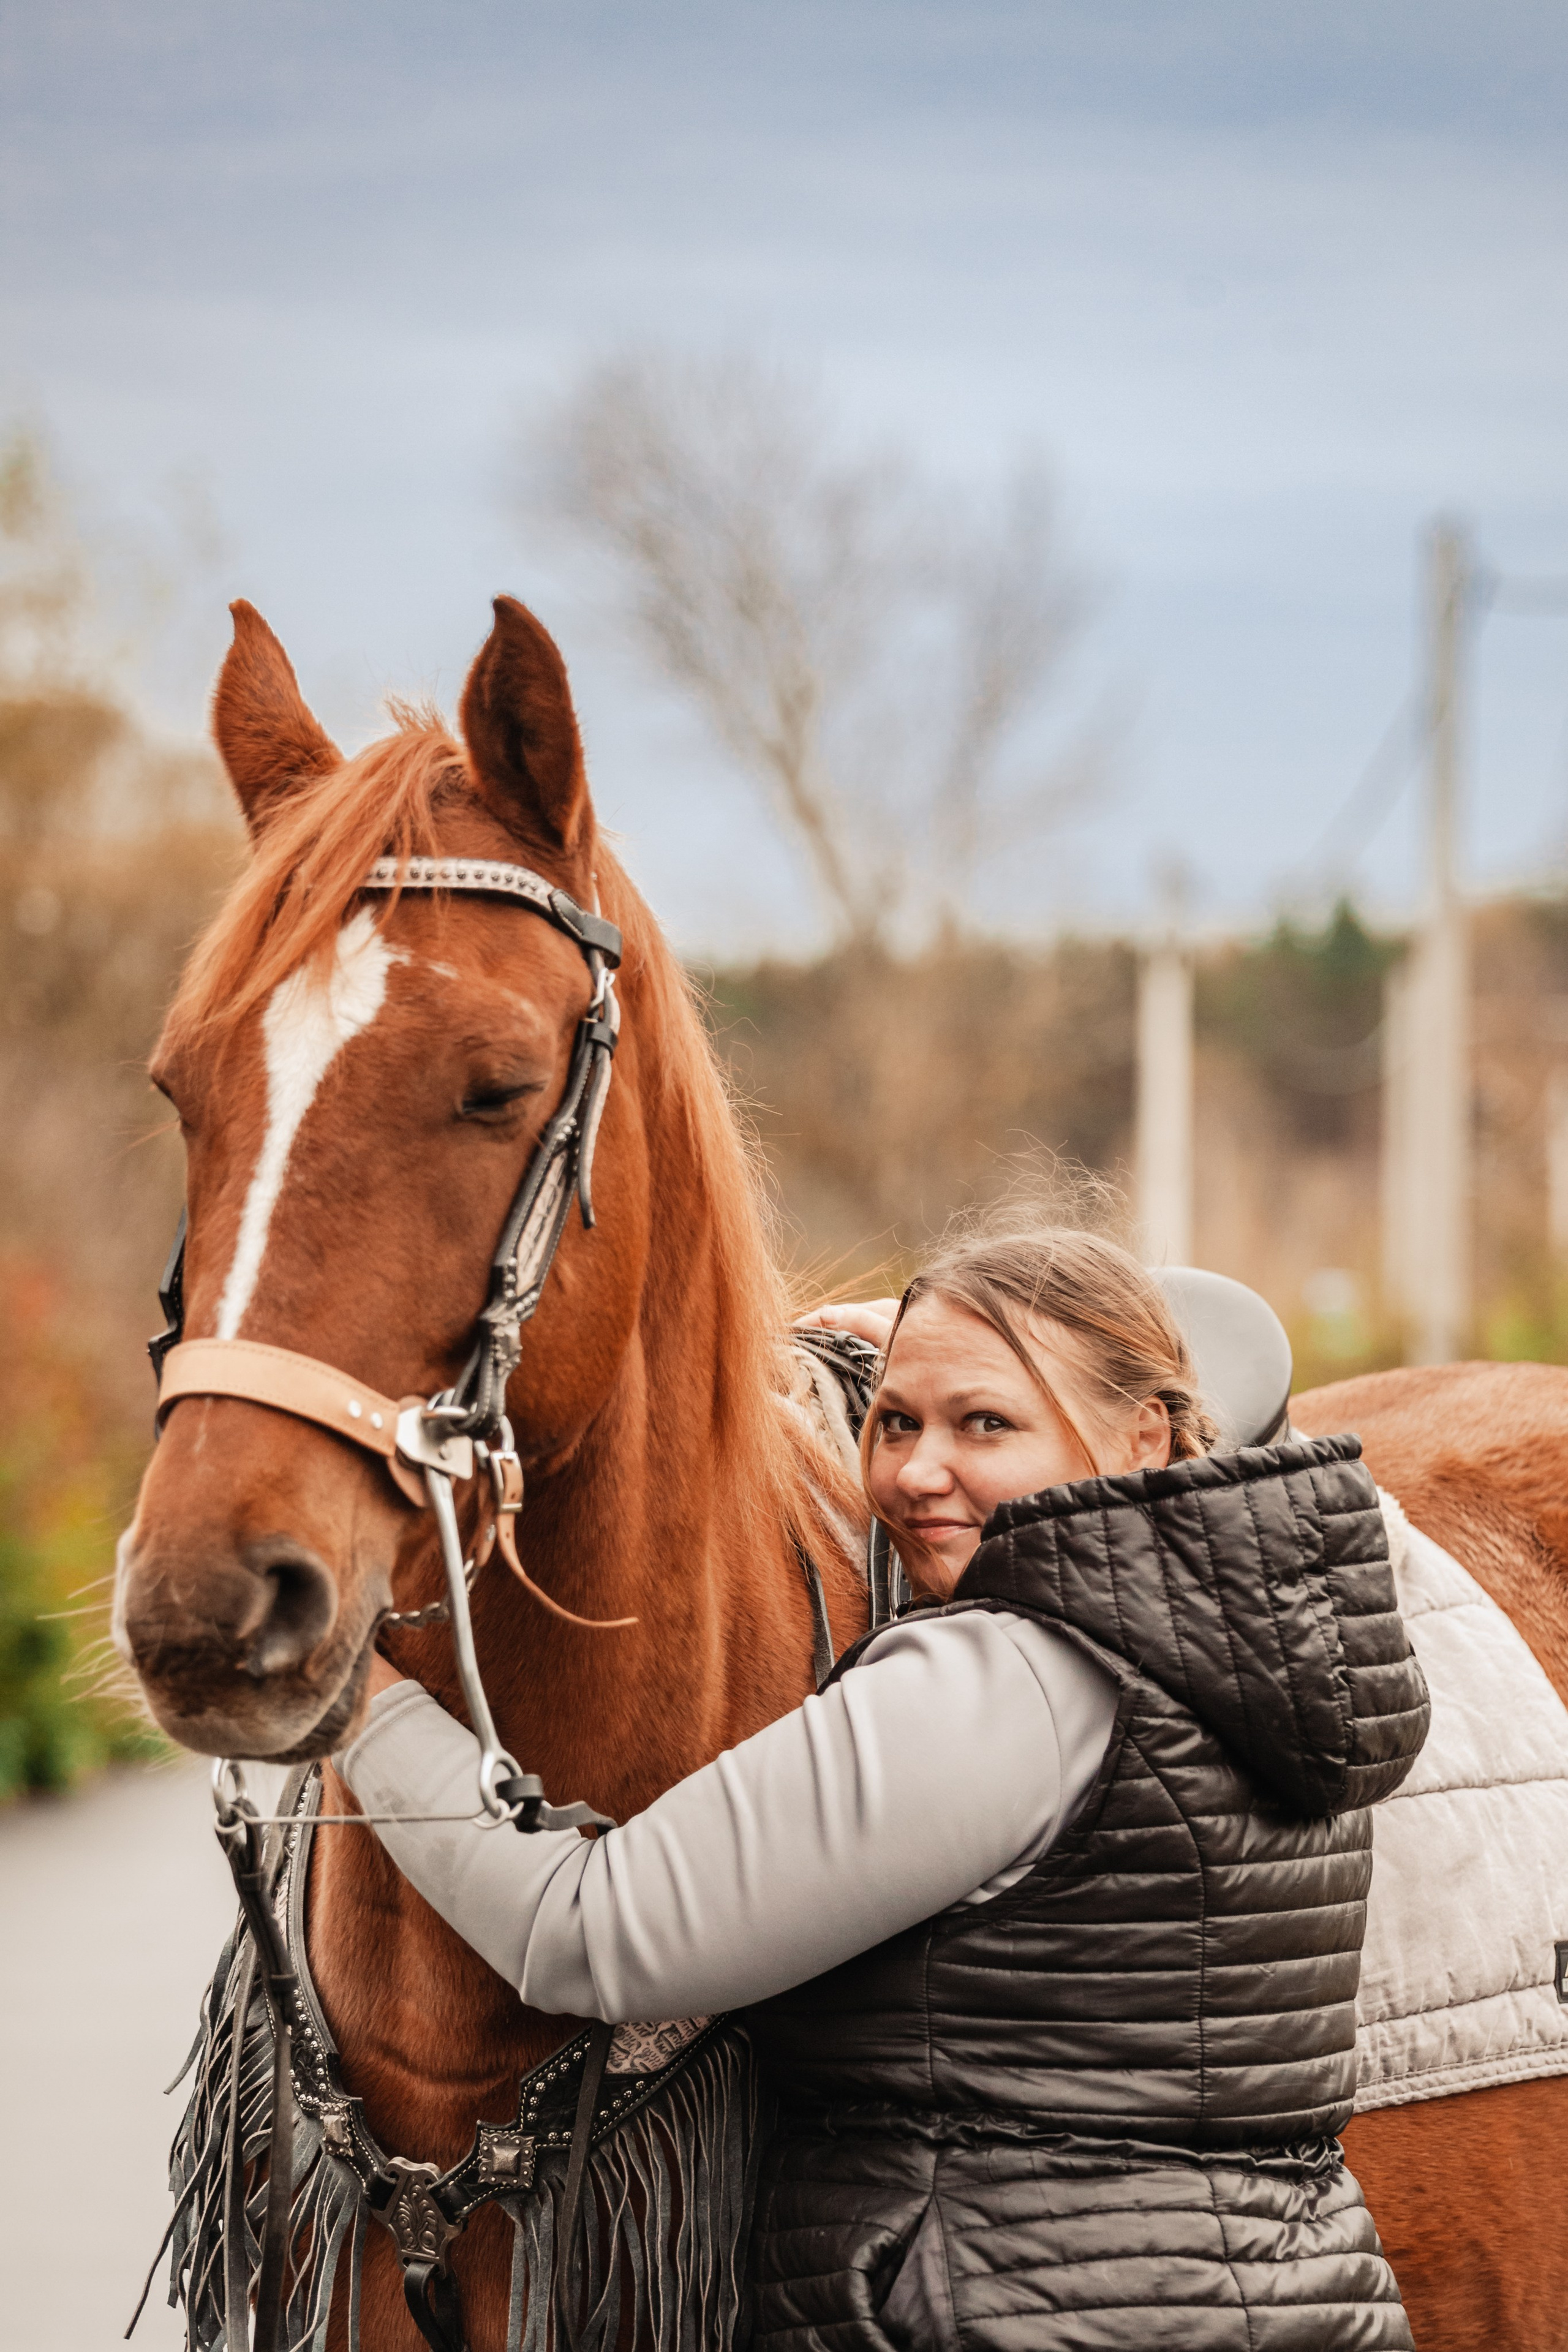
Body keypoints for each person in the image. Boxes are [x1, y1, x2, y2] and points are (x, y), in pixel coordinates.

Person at [341, 1221, 1428, 2350]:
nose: (914, 1471)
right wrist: (951, 1373)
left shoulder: (1011, 1675)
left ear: (1144, 1433)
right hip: (1260, 2292)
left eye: (986, 1424)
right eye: (895, 1420)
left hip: (1009, 2309)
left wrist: (353, 1700)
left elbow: (588, 1934)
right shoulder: (1251, 1641)